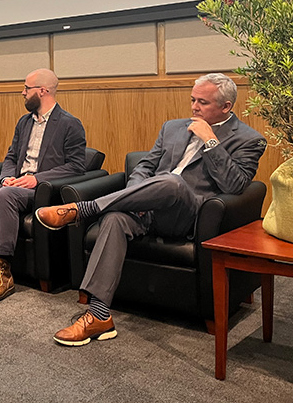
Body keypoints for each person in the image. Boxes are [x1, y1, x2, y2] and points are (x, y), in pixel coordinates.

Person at [37, 73, 267, 346]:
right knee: (114, 219)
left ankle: (84, 209)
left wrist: (210, 141)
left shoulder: (249, 139)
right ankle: (98, 315)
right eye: (193, 100)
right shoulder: (172, 127)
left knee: (172, 182)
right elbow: (145, 167)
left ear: (226, 107)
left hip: (191, 215)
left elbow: (236, 184)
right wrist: (139, 198)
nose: (194, 107)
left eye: (202, 103)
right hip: (150, 210)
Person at [0, 68, 87, 302]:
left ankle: (3, 270)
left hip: (41, 191)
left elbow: (76, 166)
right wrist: (6, 178)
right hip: (15, 184)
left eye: (26, 88)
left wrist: (37, 178)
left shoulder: (70, 124)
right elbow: (11, 157)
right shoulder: (24, 122)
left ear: (43, 91)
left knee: (7, 196)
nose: (22, 92)